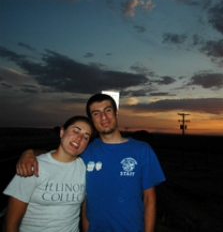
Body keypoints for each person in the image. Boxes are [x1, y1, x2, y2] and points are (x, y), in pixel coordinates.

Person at [16, 93, 166, 232]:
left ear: (116, 113)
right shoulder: (86, 150)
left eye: (107, 110)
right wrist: (30, 153)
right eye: (96, 113)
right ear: (92, 120)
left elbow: (149, 199)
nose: (103, 117)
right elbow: (59, 156)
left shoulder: (142, 150)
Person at [3, 115, 94, 232]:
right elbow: (10, 225)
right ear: (62, 132)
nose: (79, 138)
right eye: (75, 131)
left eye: (86, 137)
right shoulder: (33, 166)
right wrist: (29, 152)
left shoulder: (84, 169)